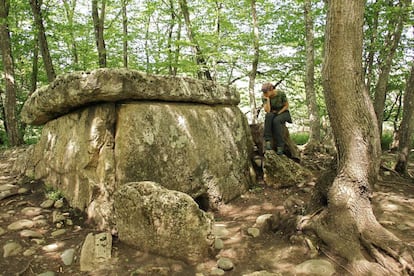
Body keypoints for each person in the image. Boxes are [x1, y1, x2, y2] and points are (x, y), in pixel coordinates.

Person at [261, 82, 292, 155]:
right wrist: (267, 99)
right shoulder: (264, 96)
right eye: (263, 92)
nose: (264, 93)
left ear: (271, 90)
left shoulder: (281, 94)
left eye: (266, 92)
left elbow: (286, 106)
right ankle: (268, 141)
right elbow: (267, 111)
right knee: (268, 116)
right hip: (272, 112)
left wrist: (279, 113)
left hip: (283, 112)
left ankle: (280, 146)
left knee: (276, 121)